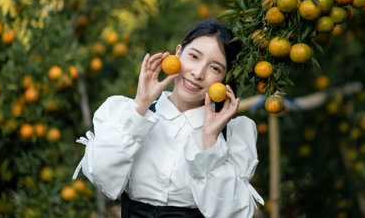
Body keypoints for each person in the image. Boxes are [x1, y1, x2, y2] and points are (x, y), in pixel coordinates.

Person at [73, 19, 264, 217]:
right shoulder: (130, 115)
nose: (198, 73)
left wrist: (209, 143)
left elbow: (232, 213)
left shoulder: (231, 135)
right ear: (178, 53)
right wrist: (140, 106)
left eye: (215, 68)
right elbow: (101, 177)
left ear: (225, 81)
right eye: (194, 56)